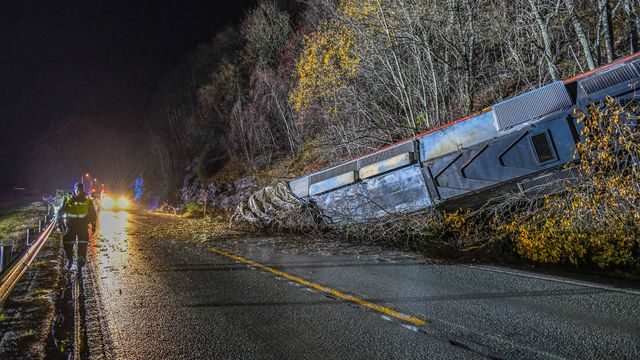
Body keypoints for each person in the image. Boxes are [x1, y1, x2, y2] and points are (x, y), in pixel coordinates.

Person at [57, 182, 97, 270]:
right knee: (68, 243)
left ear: (83, 190)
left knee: (83, 243)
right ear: (74, 190)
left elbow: (92, 213)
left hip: (82, 226)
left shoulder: (88, 200)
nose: (78, 191)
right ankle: (69, 259)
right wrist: (59, 224)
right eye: (77, 189)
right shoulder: (67, 199)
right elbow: (60, 212)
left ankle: (81, 259)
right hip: (70, 226)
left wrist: (94, 224)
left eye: (80, 190)